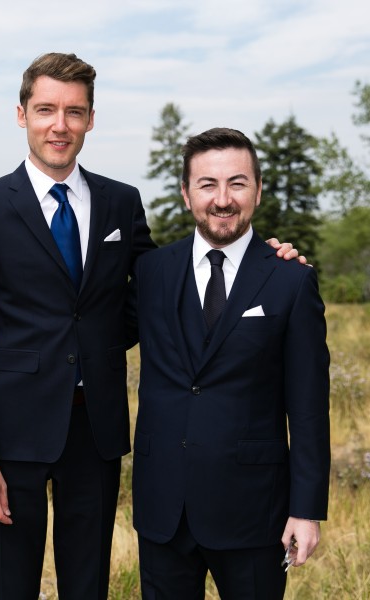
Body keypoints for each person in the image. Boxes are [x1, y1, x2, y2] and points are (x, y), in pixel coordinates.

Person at [0, 52, 302, 600]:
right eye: (46, 110)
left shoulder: (120, 202)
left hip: (98, 430)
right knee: (12, 586)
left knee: (88, 583)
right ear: (22, 115)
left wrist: (265, 264)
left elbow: (164, 287)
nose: (60, 125)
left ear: (91, 119)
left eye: (74, 112)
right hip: (13, 433)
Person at [128, 127, 330, 599]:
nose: (223, 200)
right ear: (186, 193)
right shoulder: (151, 272)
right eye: (208, 185)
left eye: (237, 183)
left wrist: (306, 509)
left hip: (255, 511)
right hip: (163, 507)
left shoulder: (291, 280)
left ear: (257, 191)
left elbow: (308, 407)